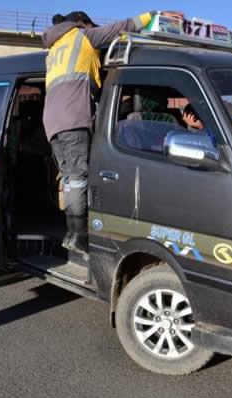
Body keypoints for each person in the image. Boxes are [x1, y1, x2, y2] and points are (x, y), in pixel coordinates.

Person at [42, 10, 155, 253]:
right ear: (82, 23)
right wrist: (153, 15)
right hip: (73, 119)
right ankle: (77, 235)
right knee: (77, 178)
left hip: (52, 122)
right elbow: (121, 26)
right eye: (91, 25)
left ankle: (74, 232)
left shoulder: (54, 50)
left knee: (70, 177)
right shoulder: (82, 36)